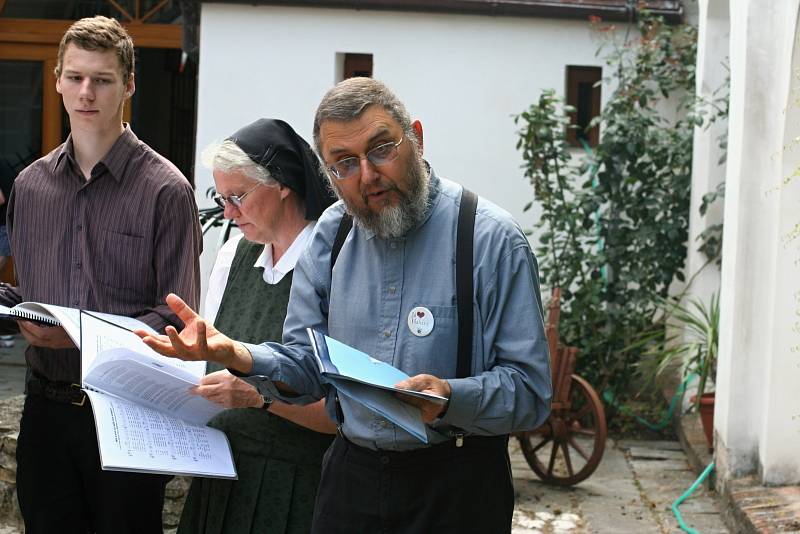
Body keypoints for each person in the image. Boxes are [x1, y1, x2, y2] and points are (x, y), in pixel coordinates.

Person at [139, 77, 552, 533]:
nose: (368, 175)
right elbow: (305, 364)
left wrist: (450, 398)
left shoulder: (489, 239)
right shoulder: (331, 235)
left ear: (415, 137)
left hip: (456, 483)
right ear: (328, 174)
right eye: (344, 165)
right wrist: (236, 354)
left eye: (381, 149)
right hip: (351, 479)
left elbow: (530, 392)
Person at [0, 16, 202, 534]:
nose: (86, 92)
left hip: (127, 416)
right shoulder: (30, 187)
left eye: (103, 79)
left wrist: (80, 335)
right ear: (58, 79)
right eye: (75, 76)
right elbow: (33, 294)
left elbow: (178, 319)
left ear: (129, 85)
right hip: (44, 413)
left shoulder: (166, 190)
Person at [178, 118, 337, 534]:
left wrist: (259, 397)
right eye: (222, 197)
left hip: (301, 485)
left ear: (283, 183)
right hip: (224, 477)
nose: (228, 212)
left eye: (237, 196)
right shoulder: (233, 256)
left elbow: (346, 410)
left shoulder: (335, 262)